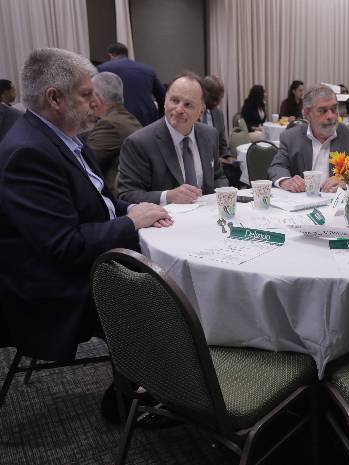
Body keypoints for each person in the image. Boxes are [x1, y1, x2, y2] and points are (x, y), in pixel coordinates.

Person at [0, 48, 171, 362]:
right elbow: (65, 245)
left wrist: (132, 210)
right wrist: (132, 223)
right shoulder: (28, 153)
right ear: (54, 98)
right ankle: (138, 393)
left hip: (84, 259)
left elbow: (100, 201)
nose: (96, 103)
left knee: (170, 273)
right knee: (163, 296)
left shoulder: (66, 138)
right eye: (85, 94)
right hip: (51, 283)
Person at [117, 72, 228, 204]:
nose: (179, 109)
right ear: (165, 101)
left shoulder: (209, 135)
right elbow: (127, 195)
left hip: (207, 217)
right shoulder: (139, 143)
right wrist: (167, 196)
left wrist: (223, 196)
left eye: (188, 105)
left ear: (201, 111)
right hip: (166, 221)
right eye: (174, 100)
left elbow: (218, 176)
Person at [268, 85, 349, 193]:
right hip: (302, 202)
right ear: (307, 113)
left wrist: (348, 181)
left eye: (334, 109)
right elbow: (277, 166)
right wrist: (286, 181)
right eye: (322, 110)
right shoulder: (291, 137)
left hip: (339, 204)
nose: (331, 116)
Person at [84, 72, 142, 196]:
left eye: (88, 94)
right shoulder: (127, 118)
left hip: (115, 203)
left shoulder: (109, 125)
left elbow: (83, 166)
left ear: (96, 98)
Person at [97, 42, 166, 127]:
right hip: (147, 121)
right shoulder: (148, 70)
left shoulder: (103, 69)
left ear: (110, 55)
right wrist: (160, 120)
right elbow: (162, 96)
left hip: (117, 123)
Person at [201, 74, 241, 187]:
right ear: (203, 93)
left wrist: (227, 157)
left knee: (236, 171)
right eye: (214, 98)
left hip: (218, 163)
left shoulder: (218, 114)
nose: (217, 102)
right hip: (199, 161)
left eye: (219, 99)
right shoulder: (193, 113)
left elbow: (222, 143)